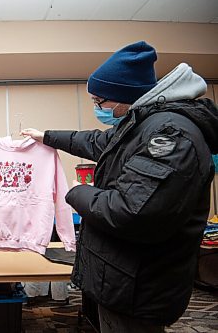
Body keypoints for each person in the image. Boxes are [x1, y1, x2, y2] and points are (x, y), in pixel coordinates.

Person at [21, 41, 218, 332]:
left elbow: (132, 211)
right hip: (124, 280)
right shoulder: (143, 122)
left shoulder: (170, 134)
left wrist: (76, 191)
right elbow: (97, 142)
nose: (97, 108)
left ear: (125, 97)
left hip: (140, 288)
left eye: (99, 101)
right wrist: (45, 136)